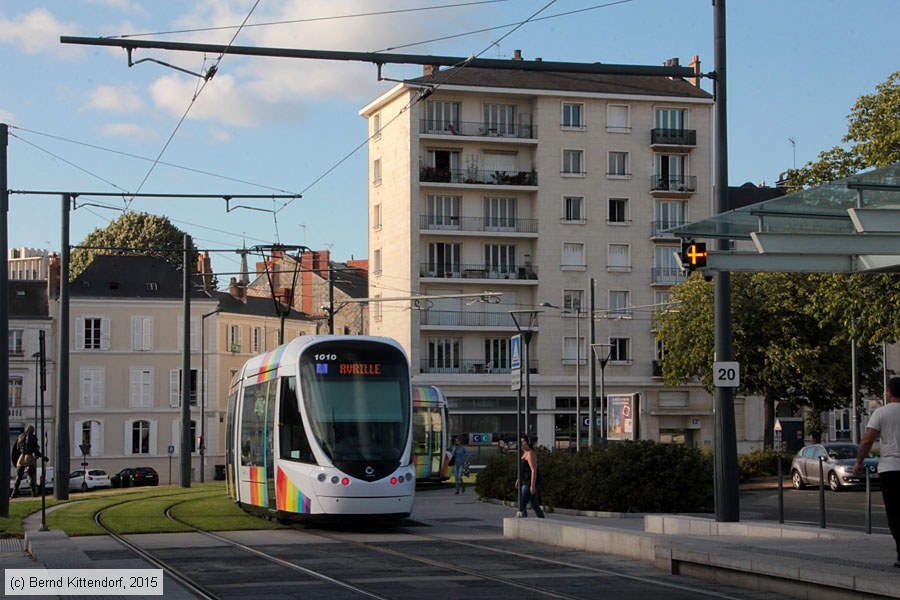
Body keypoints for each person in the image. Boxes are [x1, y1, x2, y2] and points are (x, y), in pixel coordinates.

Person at [854, 376, 900, 568]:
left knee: (895, 514)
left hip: (890, 470)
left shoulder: (881, 413)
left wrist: (858, 463)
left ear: (889, 393)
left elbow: (867, 440)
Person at [515, 436, 545, 518]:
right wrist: (518, 479)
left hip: (528, 482)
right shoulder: (524, 454)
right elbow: (522, 470)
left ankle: (523, 519)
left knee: (522, 502)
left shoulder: (530, 454)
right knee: (534, 504)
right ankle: (542, 519)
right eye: (521, 442)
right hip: (524, 481)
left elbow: (533, 470)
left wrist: (532, 485)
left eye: (523, 441)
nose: (521, 443)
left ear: (528, 443)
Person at [10, 426, 42, 498]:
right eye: (33, 430)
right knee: (31, 477)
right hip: (29, 456)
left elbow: (17, 449)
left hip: (21, 457)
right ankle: (33, 493)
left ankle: (13, 493)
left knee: (18, 477)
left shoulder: (20, 436)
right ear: (31, 430)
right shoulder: (33, 437)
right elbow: (35, 450)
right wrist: (42, 456)